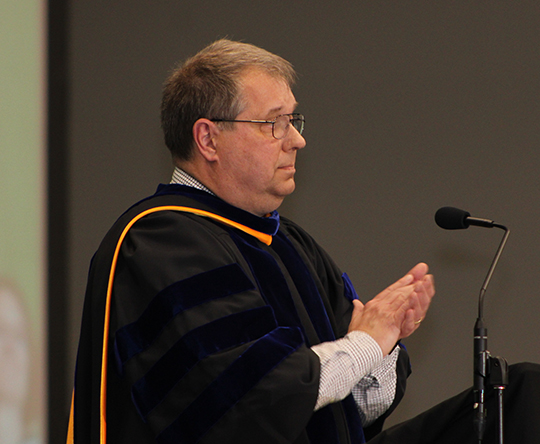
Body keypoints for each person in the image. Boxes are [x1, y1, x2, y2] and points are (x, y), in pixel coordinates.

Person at [67, 39, 435, 444]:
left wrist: (384, 345)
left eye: (294, 119)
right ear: (208, 140)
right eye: (274, 122)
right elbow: (243, 402)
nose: (296, 139)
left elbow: (335, 415)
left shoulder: (291, 244)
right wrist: (365, 344)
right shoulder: (160, 243)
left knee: (509, 395)